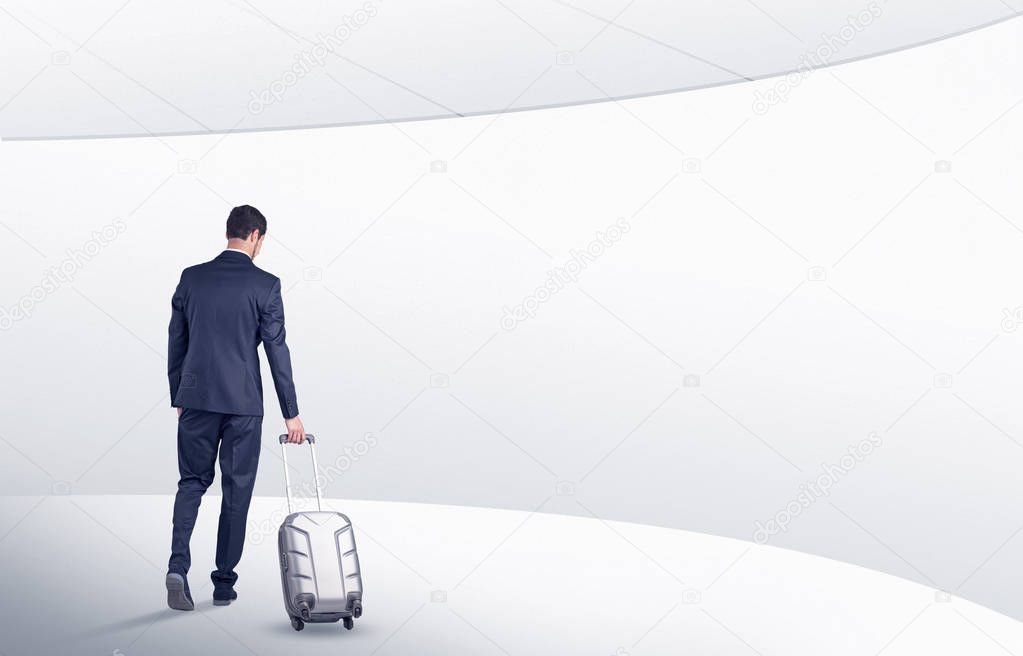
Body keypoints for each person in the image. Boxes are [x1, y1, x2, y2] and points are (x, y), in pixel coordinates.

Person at [165, 205, 306, 610]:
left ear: (230, 233)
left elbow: (177, 339)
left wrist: (179, 394)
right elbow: (277, 350)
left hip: (195, 399)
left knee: (191, 482)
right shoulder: (266, 285)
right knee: (236, 489)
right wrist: (290, 411)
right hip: (244, 403)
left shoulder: (191, 278)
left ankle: (178, 566)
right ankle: (224, 584)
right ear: (257, 237)